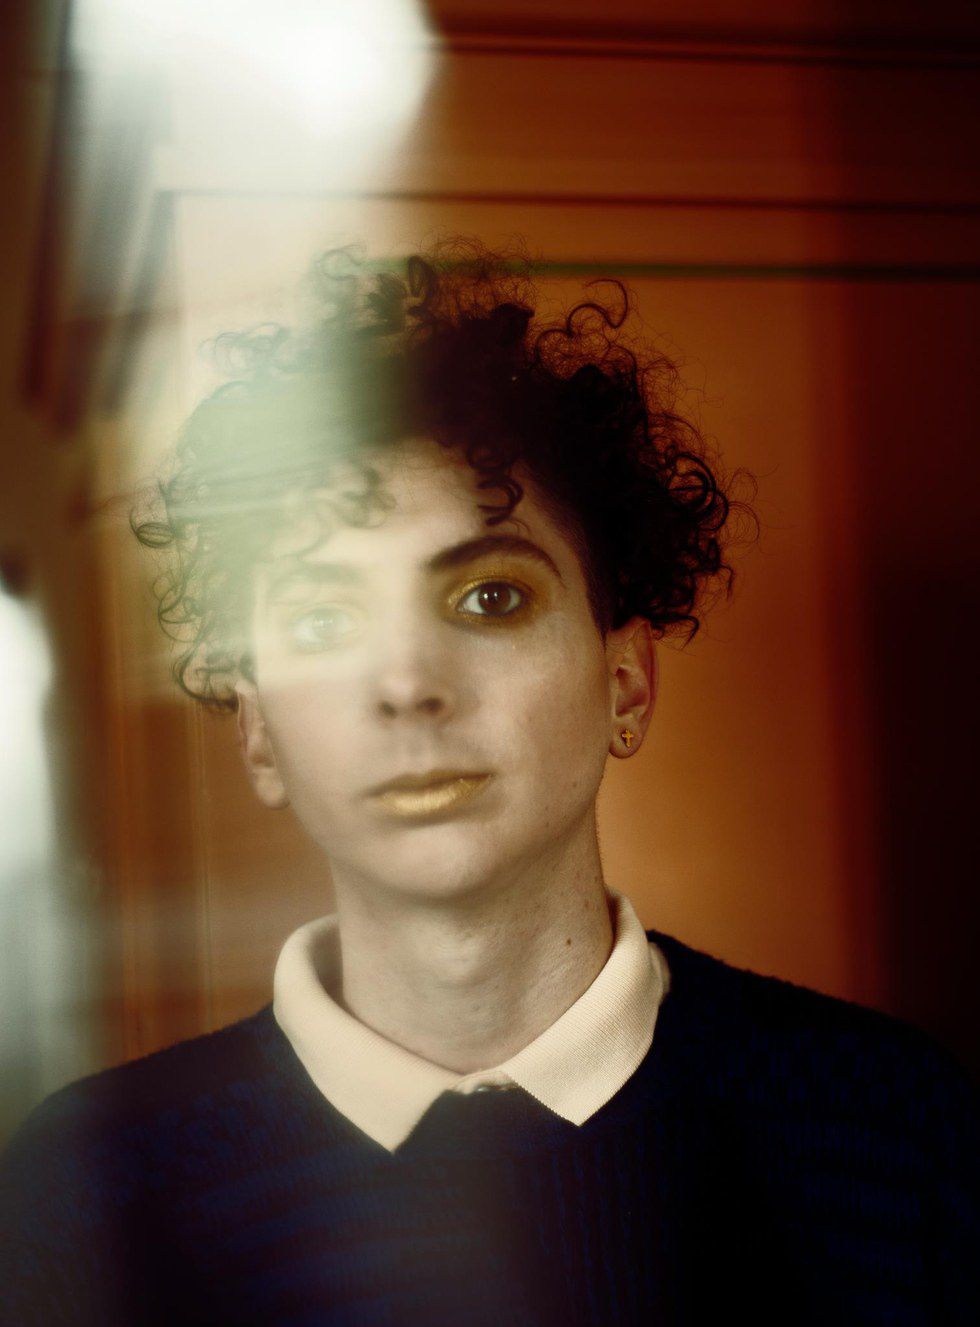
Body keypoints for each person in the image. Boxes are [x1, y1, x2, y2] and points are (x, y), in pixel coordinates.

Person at [1, 240, 977, 1326]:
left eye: (490, 599)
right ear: (261, 731)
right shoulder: (83, 1187)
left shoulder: (898, 1125)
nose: (408, 684)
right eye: (323, 620)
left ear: (625, 684)